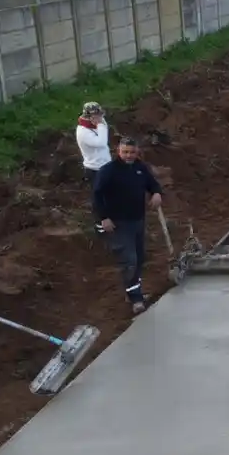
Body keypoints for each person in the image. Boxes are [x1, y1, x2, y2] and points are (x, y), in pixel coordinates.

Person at [93, 137, 163, 314]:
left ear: (137, 151)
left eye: (132, 152)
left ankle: (132, 291)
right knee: (129, 261)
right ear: (118, 151)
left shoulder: (140, 167)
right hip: (118, 224)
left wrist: (156, 193)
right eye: (125, 152)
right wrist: (104, 218)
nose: (129, 155)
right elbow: (97, 196)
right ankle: (136, 299)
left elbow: (152, 184)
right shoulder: (108, 171)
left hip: (138, 220)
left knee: (139, 258)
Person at [75, 102, 111, 233]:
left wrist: (101, 123)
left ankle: (111, 219)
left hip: (106, 166)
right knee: (99, 197)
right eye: (98, 116)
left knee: (109, 195)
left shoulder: (95, 124)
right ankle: (100, 223)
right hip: (95, 169)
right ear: (90, 117)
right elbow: (101, 142)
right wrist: (100, 124)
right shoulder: (83, 132)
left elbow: (105, 129)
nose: (101, 118)